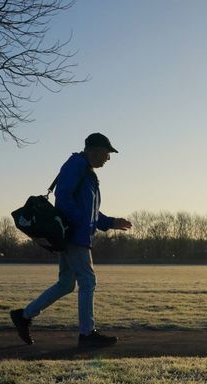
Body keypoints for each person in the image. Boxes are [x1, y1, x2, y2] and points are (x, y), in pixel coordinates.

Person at [11, 132, 132, 347]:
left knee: (67, 283)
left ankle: (24, 316)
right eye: (107, 153)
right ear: (93, 150)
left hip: (75, 234)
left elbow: (89, 212)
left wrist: (111, 222)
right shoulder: (77, 164)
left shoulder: (84, 169)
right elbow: (64, 197)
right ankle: (87, 334)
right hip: (75, 237)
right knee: (88, 281)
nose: (108, 158)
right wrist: (79, 224)